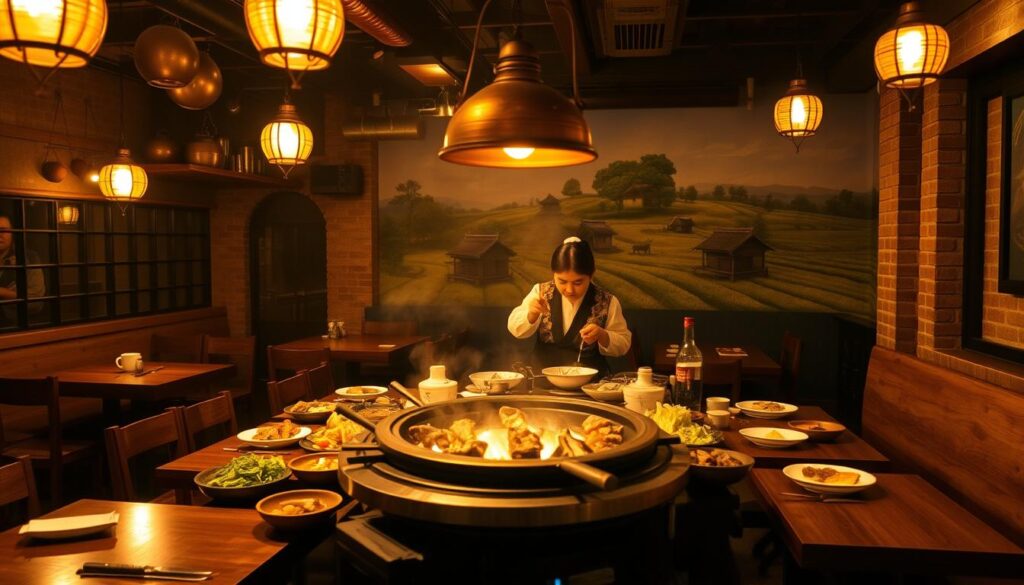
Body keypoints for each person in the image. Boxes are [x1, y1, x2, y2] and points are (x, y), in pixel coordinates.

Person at [507, 236, 632, 378]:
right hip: (543, 383)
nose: (569, 290)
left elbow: (624, 344)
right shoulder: (541, 292)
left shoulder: (607, 301)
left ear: (591, 275)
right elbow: (515, 329)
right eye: (562, 281)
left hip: (590, 386)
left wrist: (602, 335)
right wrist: (531, 315)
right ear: (553, 274)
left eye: (578, 282)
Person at [0, 214, 46, 326]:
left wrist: (2, 292)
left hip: (18, 327)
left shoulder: (28, 258)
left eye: (3, 230)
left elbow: (36, 302)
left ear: (12, 233)